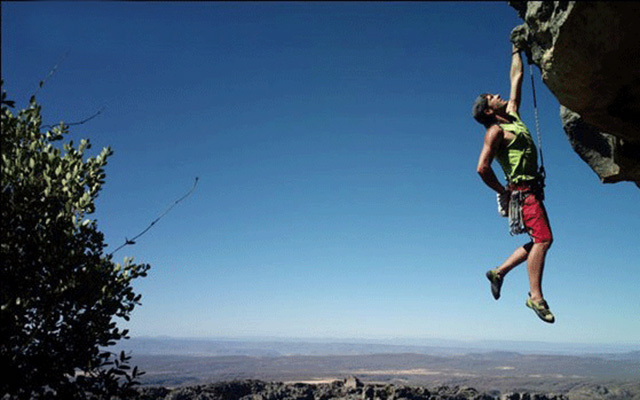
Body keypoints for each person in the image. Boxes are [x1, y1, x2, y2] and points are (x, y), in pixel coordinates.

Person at [471, 43, 555, 323]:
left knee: (539, 239)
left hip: (531, 192)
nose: (498, 95)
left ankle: (499, 272)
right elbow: (482, 168)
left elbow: (516, 78)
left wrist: (514, 49)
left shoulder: (513, 117)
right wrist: (503, 190)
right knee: (543, 240)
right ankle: (535, 296)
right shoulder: (495, 132)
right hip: (523, 193)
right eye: (492, 97)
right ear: (487, 111)